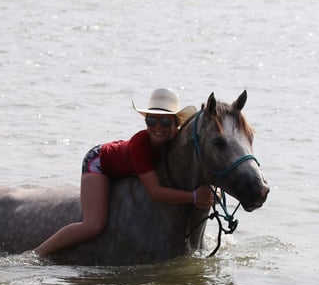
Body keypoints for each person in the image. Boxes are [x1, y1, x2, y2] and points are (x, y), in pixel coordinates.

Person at [34, 88, 214, 258]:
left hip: (130, 167)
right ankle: (38, 253)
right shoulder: (141, 145)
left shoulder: (176, 143)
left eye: (165, 121)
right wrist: (194, 197)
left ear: (176, 125)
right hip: (99, 162)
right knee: (93, 225)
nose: (157, 126)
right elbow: (155, 192)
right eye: (151, 120)